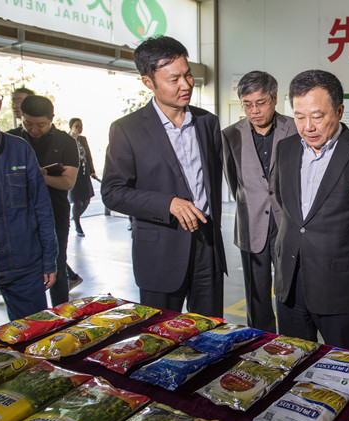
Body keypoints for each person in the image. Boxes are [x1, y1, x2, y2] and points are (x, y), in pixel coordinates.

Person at [101, 36, 226, 317]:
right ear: (148, 82)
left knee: (211, 330)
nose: (186, 85)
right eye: (174, 79)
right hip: (161, 251)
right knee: (159, 333)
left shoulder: (207, 122)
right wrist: (168, 203)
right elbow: (112, 192)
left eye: (188, 75)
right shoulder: (127, 129)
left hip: (207, 247)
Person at [273, 70, 349, 350]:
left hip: (340, 286)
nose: (308, 127)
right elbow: (286, 205)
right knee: (290, 362)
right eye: (299, 117)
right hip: (290, 282)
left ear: (339, 111)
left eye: (317, 117)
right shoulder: (286, 149)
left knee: (343, 366)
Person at [0, 69, 57, 331]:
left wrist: (49, 259)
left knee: (36, 336)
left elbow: (42, 208)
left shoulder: (19, 149)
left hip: (24, 267)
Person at [222, 71, 297, 333]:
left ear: (275, 98)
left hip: (288, 222)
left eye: (261, 103)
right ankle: (259, 340)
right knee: (256, 293)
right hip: (251, 224)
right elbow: (233, 181)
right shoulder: (230, 135)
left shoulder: (294, 128)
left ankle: (290, 340)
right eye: (247, 104)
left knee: (290, 289)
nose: (254, 111)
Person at [8, 96, 79, 307]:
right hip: (17, 217)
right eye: (28, 123)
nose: (34, 130)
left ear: (51, 119)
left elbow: (68, 182)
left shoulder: (66, 142)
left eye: (41, 125)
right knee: (21, 271)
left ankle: (62, 315)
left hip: (55, 214)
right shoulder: (10, 140)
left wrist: (38, 176)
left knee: (57, 268)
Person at [68, 117, 98, 237]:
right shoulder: (66, 139)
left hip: (84, 173)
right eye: (77, 126)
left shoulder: (83, 139)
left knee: (86, 201)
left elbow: (88, 155)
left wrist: (92, 171)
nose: (79, 129)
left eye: (81, 126)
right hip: (73, 174)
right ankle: (77, 224)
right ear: (71, 127)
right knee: (77, 201)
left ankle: (75, 217)